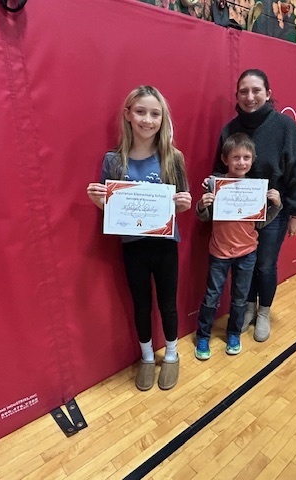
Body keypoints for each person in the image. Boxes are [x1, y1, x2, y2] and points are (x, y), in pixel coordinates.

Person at [87, 85, 192, 391]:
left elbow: (181, 198)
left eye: (155, 114)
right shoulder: (113, 160)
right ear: (128, 115)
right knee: (141, 303)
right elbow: (116, 208)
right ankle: (147, 356)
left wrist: (183, 204)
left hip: (165, 245)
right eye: (141, 112)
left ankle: (171, 354)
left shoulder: (173, 157)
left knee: (168, 303)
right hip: (133, 246)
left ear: (163, 119)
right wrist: (101, 202)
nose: (148, 120)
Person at [212, 69, 296, 342]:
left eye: (256, 90)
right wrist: (213, 190)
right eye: (244, 91)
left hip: (273, 213)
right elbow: (220, 170)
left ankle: (264, 312)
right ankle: (246, 308)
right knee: (244, 263)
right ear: (237, 96)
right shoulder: (230, 130)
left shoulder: (285, 128)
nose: (250, 96)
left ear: (268, 94)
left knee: (265, 265)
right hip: (237, 214)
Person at [194, 133, 282, 360]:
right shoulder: (215, 184)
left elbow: (260, 223)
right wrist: (202, 205)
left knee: (240, 298)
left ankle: (234, 333)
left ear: (253, 160)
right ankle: (203, 336)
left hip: (247, 253)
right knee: (211, 297)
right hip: (219, 252)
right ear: (225, 159)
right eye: (236, 157)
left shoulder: (255, 189)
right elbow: (205, 217)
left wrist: (276, 207)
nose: (241, 162)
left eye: (246, 157)